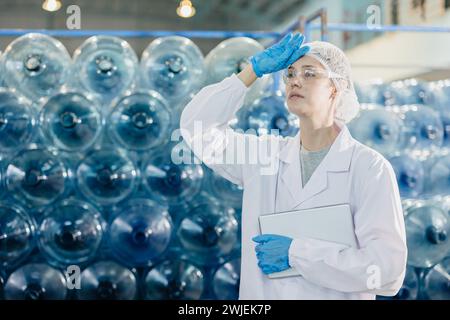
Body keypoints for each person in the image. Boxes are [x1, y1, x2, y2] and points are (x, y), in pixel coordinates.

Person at [179, 32, 407, 299]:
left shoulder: (369, 168)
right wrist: (251, 72)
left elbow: (386, 270)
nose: (295, 80)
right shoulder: (263, 156)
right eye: (290, 73)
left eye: (309, 73)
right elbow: (197, 127)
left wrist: (297, 254)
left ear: (336, 87)